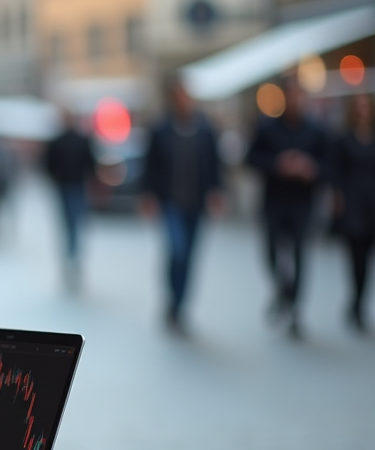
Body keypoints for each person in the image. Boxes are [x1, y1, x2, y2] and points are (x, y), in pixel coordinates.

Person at [246, 77, 329, 339]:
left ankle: (295, 309)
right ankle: (284, 288)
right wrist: (278, 164)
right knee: (271, 252)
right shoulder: (268, 128)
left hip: (303, 202)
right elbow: (251, 159)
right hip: (274, 201)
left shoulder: (316, 130)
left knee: (300, 254)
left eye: (299, 95)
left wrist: (310, 168)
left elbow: (329, 164)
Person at [140, 80, 225, 335]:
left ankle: (180, 306)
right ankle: (172, 298)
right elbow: (150, 164)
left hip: (196, 203)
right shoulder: (161, 129)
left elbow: (214, 163)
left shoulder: (205, 129)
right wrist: (148, 195)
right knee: (177, 251)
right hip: (170, 202)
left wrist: (217, 192)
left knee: (189, 256)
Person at [331, 93, 375, 332]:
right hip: (353, 204)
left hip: (371, 203)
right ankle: (356, 304)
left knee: (366, 258)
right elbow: (336, 170)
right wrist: (337, 196)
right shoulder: (344, 139)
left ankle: (359, 302)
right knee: (356, 258)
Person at [42, 111, 97, 289]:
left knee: (69, 225)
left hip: (66, 186)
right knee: (75, 224)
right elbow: (91, 166)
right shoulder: (81, 140)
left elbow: (48, 166)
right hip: (75, 186)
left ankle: (71, 257)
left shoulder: (58, 141)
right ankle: (73, 257)